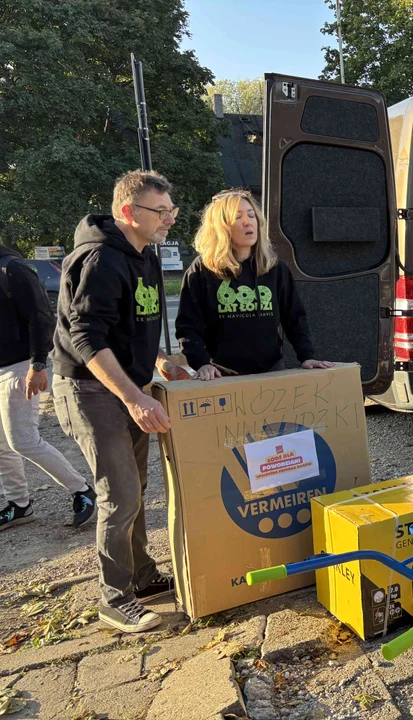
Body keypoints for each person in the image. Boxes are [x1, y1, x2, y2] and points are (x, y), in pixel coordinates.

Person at [53, 170, 190, 633]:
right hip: (90, 390)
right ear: (129, 212)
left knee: (136, 487)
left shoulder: (144, 255)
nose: (170, 218)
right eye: (162, 211)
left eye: (172, 209)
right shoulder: (99, 260)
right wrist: (134, 397)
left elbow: (131, 325)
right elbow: (88, 337)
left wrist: (160, 362)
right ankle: (115, 598)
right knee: (120, 493)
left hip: (128, 386)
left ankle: (144, 577)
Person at [175, 188, 332, 379]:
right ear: (222, 226)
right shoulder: (202, 270)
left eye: (251, 215)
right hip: (221, 375)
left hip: (271, 371)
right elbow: (188, 325)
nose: (248, 222)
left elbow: (295, 318)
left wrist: (307, 356)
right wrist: (201, 364)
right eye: (238, 217)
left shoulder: (274, 268)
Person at [0, 245, 95, 530]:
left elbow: (41, 317)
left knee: (23, 440)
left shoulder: (13, 269)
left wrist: (38, 365)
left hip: (20, 367)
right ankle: (19, 505)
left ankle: (82, 491)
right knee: (2, 446)